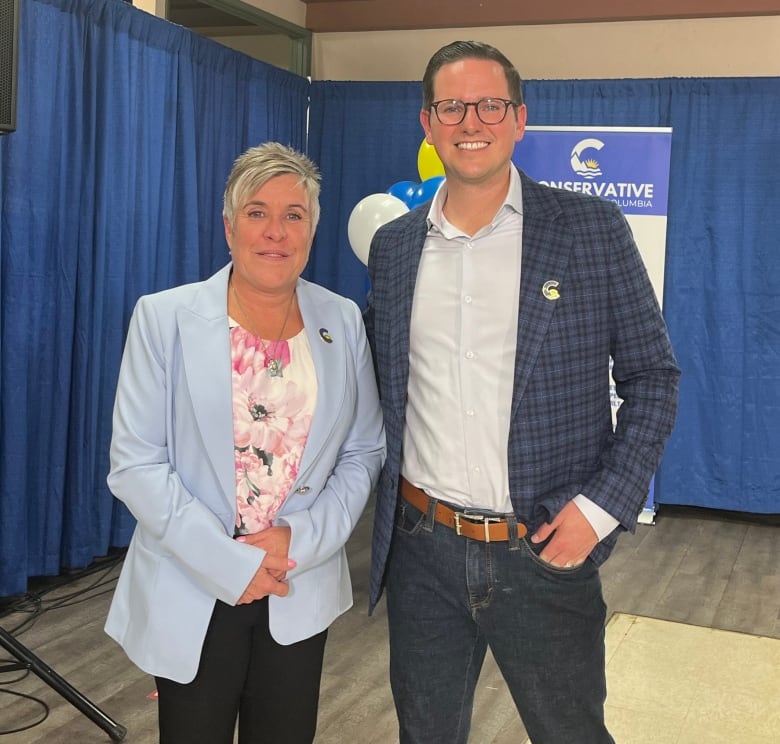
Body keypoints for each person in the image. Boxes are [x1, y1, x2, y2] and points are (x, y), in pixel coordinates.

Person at [364, 41, 680, 744]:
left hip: (541, 549)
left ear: (519, 119)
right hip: (421, 551)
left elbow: (654, 379)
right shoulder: (395, 249)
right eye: (452, 105)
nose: (470, 119)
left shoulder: (590, 230)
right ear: (427, 122)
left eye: (489, 104)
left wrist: (600, 511)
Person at [105, 142, 385, 744]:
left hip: (297, 579)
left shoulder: (343, 320)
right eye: (257, 212)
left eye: (294, 215)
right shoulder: (164, 318)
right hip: (194, 580)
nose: (275, 232)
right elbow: (135, 463)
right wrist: (232, 564)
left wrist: (300, 541)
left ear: (312, 227)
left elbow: (364, 450)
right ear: (229, 224)